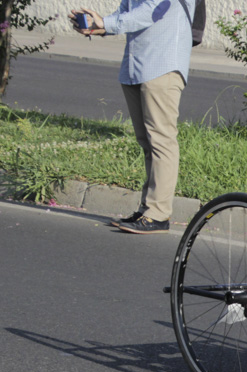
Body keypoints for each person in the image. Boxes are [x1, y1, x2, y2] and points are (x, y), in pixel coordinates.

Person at [71, 0, 195, 234]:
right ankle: (148, 209)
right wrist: (99, 26)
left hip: (163, 65)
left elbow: (153, 10)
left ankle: (159, 214)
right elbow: (128, 11)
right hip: (137, 66)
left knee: (161, 141)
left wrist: (107, 23)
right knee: (147, 142)